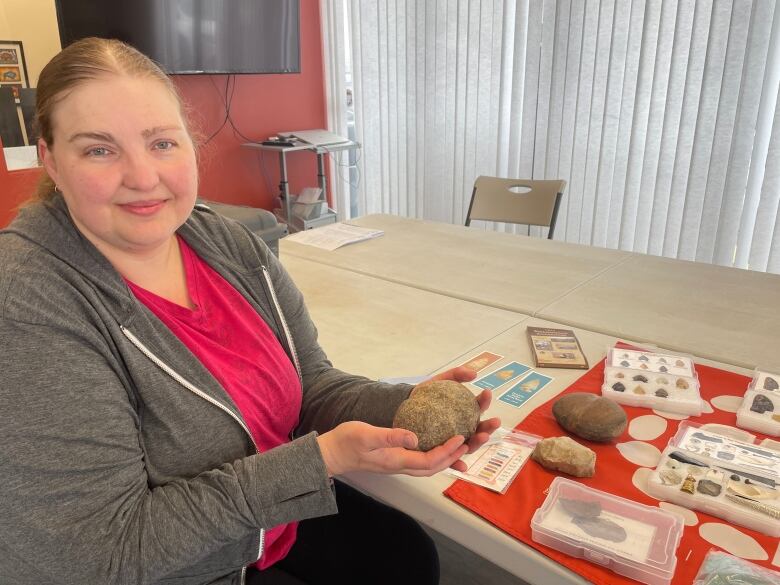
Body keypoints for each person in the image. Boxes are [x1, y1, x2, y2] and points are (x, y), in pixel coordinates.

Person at [0, 38, 500, 585]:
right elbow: (98, 555)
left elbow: (311, 384)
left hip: (271, 522)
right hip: (179, 570)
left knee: (402, 556)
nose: (144, 177)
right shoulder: (28, 301)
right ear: (49, 157)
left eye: (162, 143)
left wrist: (404, 406)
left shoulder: (224, 243)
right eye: (99, 149)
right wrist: (323, 461)